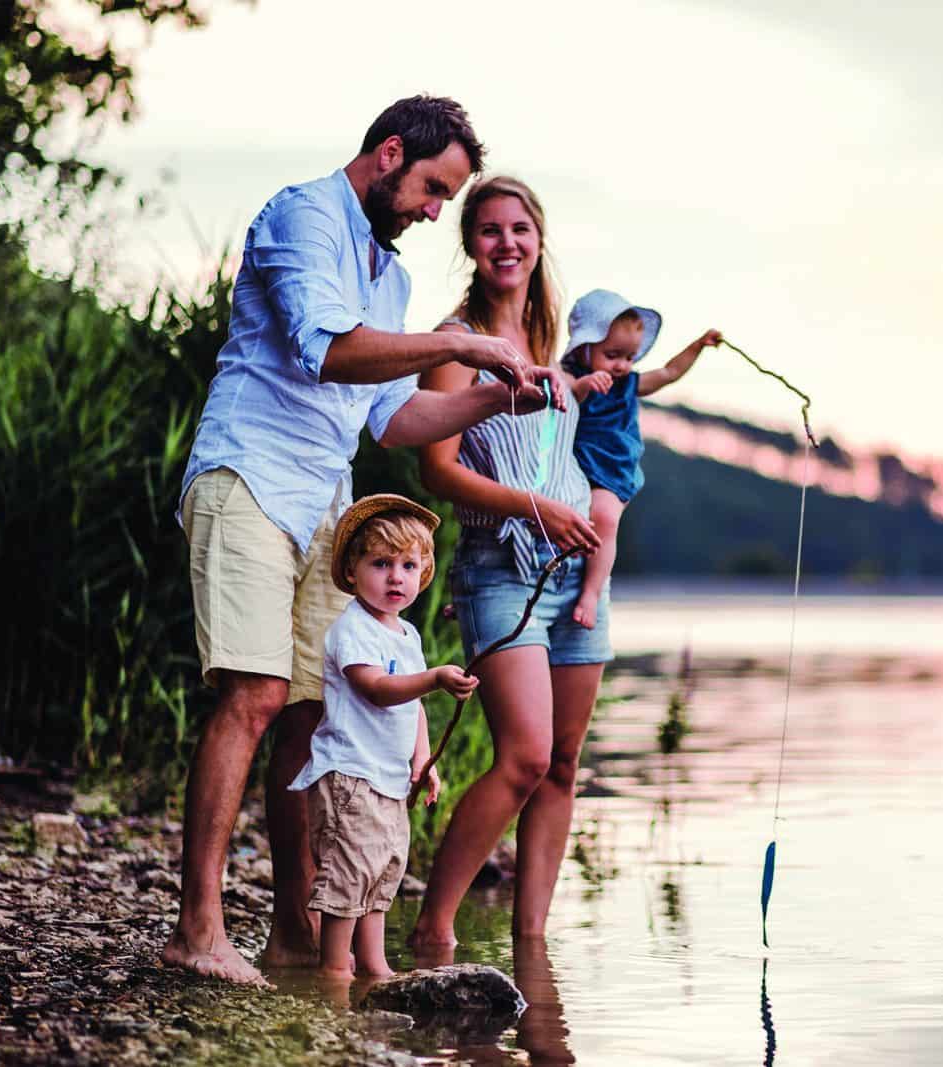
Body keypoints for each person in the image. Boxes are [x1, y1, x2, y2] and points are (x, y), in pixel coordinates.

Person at [162, 95, 559, 986]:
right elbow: (325, 350)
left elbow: (395, 414)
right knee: (256, 693)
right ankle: (197, 927)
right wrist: (462, 341)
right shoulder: (301, 215)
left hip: (325, 505)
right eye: (432, 189)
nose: (432, 211)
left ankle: (298, 934)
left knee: (316, 711)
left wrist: (500, 393)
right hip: (250, 478)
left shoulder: (390, 279)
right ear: (388, 154)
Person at [405, 175, 612, 955]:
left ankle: (532, 943)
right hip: (501, 565)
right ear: (469, 244)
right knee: (523, 755)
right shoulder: (456, 344)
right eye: (489, 230)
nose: (507, 243)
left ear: (538, 238)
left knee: (562, 763)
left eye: (519, 228)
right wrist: (535, 509)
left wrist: (589, 510)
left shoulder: (552, 346)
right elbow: (438, 470)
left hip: (577, 571)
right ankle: (435, 924)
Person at [287, 494, 476, 979]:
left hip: (389, 779)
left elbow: (411, 709)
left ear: (423, 573)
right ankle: (334, 971)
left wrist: (422, 759)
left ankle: (374, 965)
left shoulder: (407, 636)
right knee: (349, 875)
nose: (396, 576)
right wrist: (434, 678)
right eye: (381, 563)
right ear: (352, 571)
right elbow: (376, 689)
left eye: (409, 565)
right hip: (350, 776)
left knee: (382, 870)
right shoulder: (353, 629)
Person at [559, 288, 721, 627]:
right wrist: (585, 385)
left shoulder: (629, 384)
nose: (621, 366)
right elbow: (565, 397)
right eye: (612, 354)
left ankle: (590, 592)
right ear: (584, 347)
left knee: (603, 519)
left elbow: (668, 373)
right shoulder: (571, 377)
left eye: (630, 357)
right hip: (571, 467)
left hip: (611, 470)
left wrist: (697, 346)